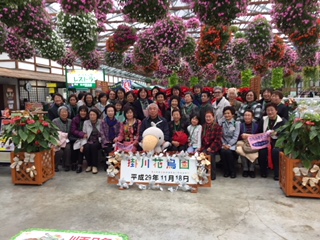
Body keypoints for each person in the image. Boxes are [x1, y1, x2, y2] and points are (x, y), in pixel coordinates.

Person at [257, 103, 287, 180]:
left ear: (276, 111)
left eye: (272, 110)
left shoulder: (282, 121)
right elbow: (258, 132)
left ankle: (277, 173)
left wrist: (277, 134)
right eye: (268, 110)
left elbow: (285, 134)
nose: (270, 112)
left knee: (276, 151)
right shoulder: (263, 120)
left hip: (278, 142)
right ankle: (263, 172)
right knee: (262, 151)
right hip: (265, 141)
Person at [199, 111, 223, 180]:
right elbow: (201, 138)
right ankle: (203, 173)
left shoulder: (217, 127)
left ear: (213, 118)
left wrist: (211, 147)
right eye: (206, 117)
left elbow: (218, 139)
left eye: (209, 117)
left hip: (215, 146)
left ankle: (212, 174)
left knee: (210, 154)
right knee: (201, 154)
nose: (208, 118)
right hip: (205, 146)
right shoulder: (203, 126)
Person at [237, 110, 259, 178]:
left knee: (254, 150)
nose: (247, 117)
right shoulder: (240, 125)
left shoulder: (256, 125)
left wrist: (249, 136)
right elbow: (238, 136)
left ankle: (252, 169)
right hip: (243, 142)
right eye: (245, 115)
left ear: (252, 117)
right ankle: (245, 168)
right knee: (240, 148)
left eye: (249, 115)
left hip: (253, 142)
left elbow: (258, 136)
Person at [220, 106, 240, 178]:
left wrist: (229, 145)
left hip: (233, 144)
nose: (226, 115)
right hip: (224, 143)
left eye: (228, 113)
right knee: (223, 151)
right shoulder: (222, 123)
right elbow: (220, 135)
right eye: (225, 113)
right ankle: (226, 171)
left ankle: (232, 171)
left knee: (228, 152)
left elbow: (236, 136)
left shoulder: (236, 123)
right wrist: (224, 144)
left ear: (232, 114)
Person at [80, 108, 102, 174]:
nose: (92, 116)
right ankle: (89, 165)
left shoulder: (101, 122)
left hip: (98, 140)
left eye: (94, 115)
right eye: (90, 115)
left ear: (97, 115)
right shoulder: (86, 122)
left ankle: (94, 166)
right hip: (88, 140)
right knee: (86, 147)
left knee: (93, 146)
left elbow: (103, 134)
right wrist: (82, 144)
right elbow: (84, 134)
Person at [69, 105, 89, 173]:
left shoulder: (89, 119)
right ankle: (74, 162)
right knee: (75, 146)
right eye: (81, 111)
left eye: (84, 111)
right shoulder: (75, 119)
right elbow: (73, 130)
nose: (83, 113)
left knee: (82, 146)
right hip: (76, 137)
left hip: (86, 138)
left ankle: (79, 165)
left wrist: (84, 135)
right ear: (79, 112)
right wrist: (81, 134)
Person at [52, 106, 72, 172]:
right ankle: (55, 166)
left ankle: (67, 165)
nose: (64, 114)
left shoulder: (70, 121)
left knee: (68, 148)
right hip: (57, 140)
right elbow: (52, 132)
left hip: (66, 140)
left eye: (65, 112)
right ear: (59, 113)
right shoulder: (55, 121)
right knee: (59, 151)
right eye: (62, 112)